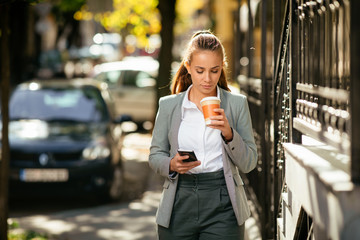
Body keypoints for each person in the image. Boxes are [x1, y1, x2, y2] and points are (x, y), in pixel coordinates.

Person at [149, 30, 258, 240]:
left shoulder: (236, 105)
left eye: (214, 71)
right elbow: (155, 155)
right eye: (200, 70)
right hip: (178, 202)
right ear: (188, 66)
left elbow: (250, 162)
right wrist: (171, 164)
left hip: (223, 203)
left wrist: (228, 133)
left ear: (221, 68)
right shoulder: (169, 106)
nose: (207, 79)